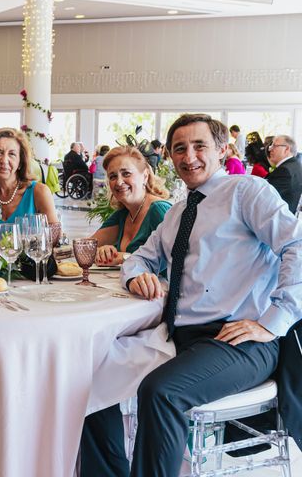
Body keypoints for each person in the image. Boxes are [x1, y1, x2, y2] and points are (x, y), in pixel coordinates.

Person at [80, 113, 302, 477]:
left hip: (238, 339)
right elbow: (139, 259)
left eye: (199, 146)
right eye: (179, 149)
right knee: (89, 380)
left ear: (222, 149)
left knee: (161, 392)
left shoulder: (246, 191)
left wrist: (274, 321)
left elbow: (297, 242)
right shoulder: (180, 211)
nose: (189, 156)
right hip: (180, 337)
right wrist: (136, 276)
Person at [90, 146, 171, 266]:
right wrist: (102, 252)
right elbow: (86, 247)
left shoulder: (158, 210)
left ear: (145, 176)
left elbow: (175, 260)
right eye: (113, 177)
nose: (119, 182)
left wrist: (125, 257)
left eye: (126, 174)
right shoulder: (123, 214)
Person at [265, 135, 302, 214]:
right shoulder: (295, 164)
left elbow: (265, 198)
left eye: (274, 146)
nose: (270, 149)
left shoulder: (284, 170)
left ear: (287, 149)